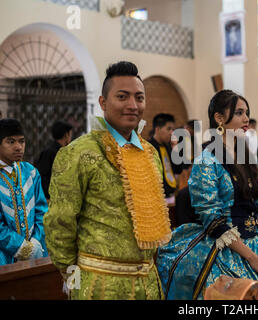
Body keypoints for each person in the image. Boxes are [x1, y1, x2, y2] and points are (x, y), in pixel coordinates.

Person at [44, 61, 172, 300]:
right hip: (99, 285)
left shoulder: (150, 153)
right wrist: (73, 280)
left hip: (148, 284)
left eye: (139, 98)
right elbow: (59, 222)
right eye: (122, 97)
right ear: (103, 102)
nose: (133, 105)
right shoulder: (78, 152)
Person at [157, 89, 258, 300]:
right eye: (240, 112)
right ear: (219, 118)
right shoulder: (206, 161)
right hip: (226, 247)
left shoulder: (246, 156)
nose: (246, 118)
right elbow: (214, 221)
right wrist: (252, 258)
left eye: (247, 112)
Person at [0, 119, 48, 265]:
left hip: (36, 253)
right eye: (11, 142)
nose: (18, 147)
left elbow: (42, 211)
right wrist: (20, 247)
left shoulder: (31, 172)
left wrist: (35, 241)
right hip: (4, 257)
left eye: (22, 141)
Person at [34, 120, 73, 199]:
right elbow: (43, 178)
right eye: (70, 135)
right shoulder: (56, 153)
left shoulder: (49, 151)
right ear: (66, 135)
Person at [149, 113, 183, 198]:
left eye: (173, 129)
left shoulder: (168, 147)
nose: (172, 133)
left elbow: (178, 170)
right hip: (157, 196)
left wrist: (175, 149)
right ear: (158, 129)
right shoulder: (149, 148)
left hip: (171, 193)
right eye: (168, 129)